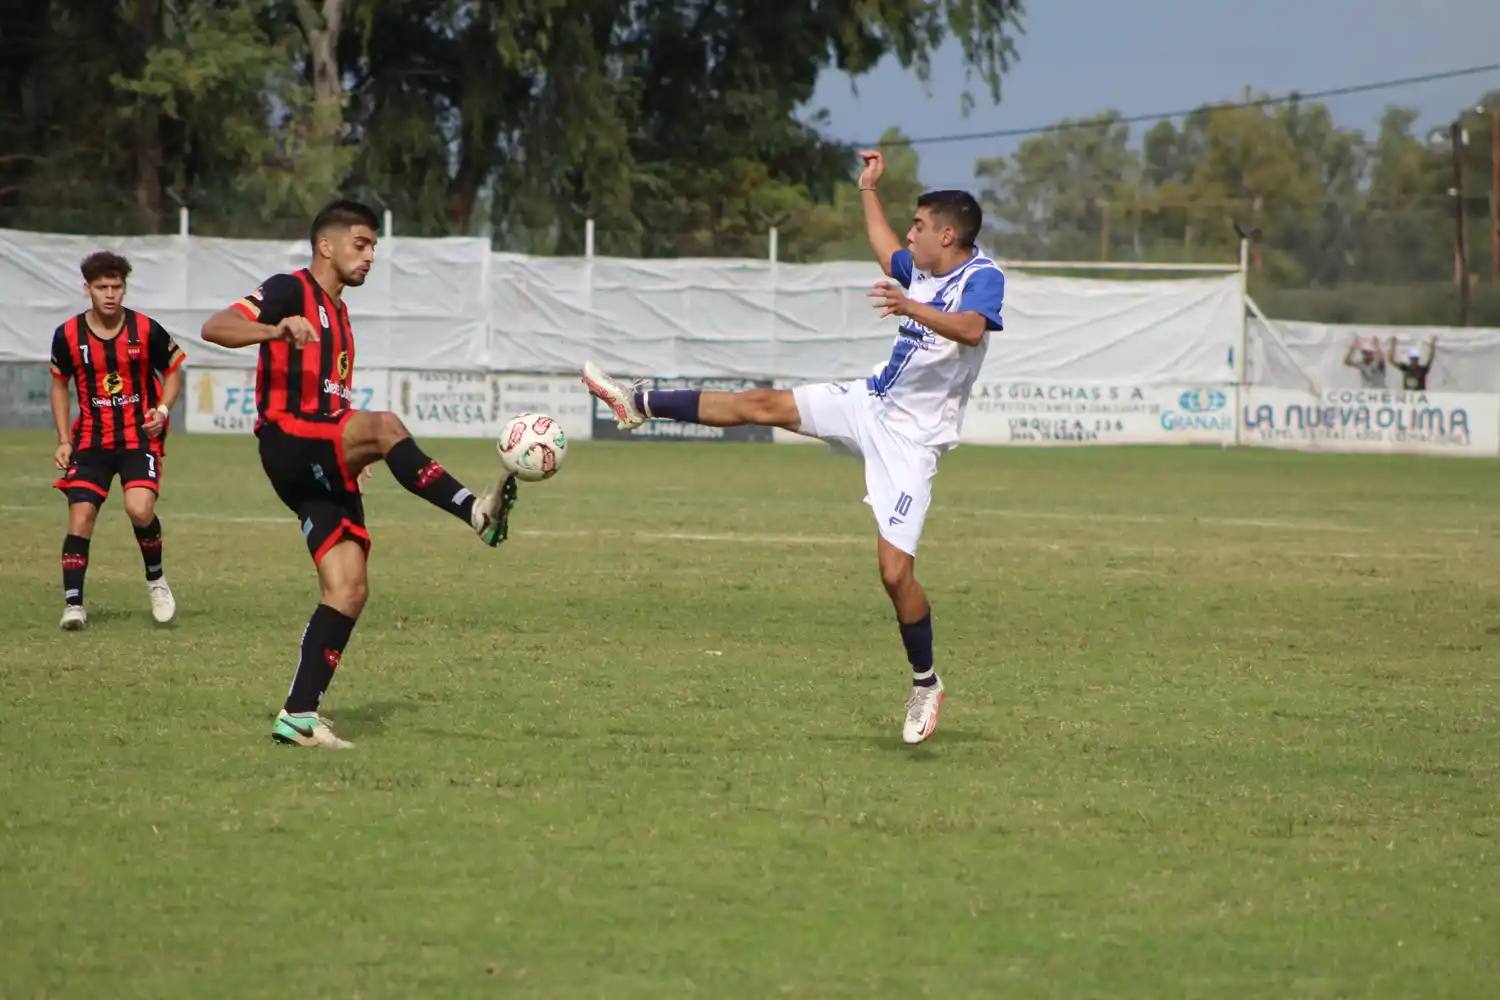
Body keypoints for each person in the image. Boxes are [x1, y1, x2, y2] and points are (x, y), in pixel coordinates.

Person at [581, 151, 1005, 745]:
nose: (909, 234)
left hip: (913, 441)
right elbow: (888, 252)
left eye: (918, 225)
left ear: (948, 233)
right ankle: (639, 402)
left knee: (893, 573)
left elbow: (971, 329)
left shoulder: (981, 276)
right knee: (761, 402)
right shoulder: (923, 266)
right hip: (871, 402)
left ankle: (926, 682)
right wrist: (867, 190)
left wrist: (911, 306)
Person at [201, 199, 520, 750]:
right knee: (386, 424)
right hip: (287, 439)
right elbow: (216, 327)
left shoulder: (341, 317)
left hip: (319, 456)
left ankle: (298, 715)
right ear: (326, 245)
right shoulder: (289, 289)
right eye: (361, 243)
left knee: (348, 589)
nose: (370, 255)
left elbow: (333, 401)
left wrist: (351, 452)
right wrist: (275, 331)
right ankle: (475, 510)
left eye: (374, 246)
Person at [50, 251, 185, 630]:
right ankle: (73, 605)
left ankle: (156, 580)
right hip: (91, 440)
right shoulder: (68, 335)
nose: (110, 294)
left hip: (138, 439)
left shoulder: (146, 329)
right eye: (101, 287)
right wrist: (63, 438)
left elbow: (173, 371)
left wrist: (162, 409)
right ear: (87, 289)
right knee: (81, 516)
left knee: (139, 508)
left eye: (116, 286)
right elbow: (59, 384)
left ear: (125, 288)